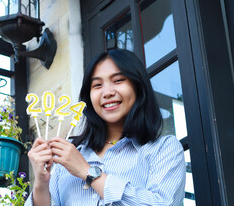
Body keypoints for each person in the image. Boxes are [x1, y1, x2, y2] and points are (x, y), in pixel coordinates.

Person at [25, 49, 186, 206]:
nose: (107, 92)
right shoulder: (65, 162)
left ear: (138, 87)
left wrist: (88, 172)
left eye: (118, 80)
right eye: (97, 85)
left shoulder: (163, 149)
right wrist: (41, 183)